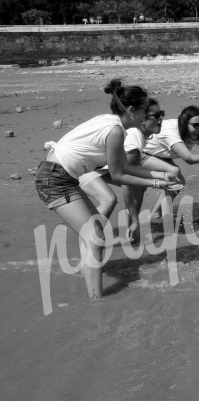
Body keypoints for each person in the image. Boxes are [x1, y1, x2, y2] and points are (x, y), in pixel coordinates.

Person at [34, 79, 179, 299]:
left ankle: (89, 284)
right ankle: (96, 300)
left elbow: (126, 167)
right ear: (131, 110)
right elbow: (120, 175)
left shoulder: (111, 123)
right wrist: (158, 183)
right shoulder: (115, 130)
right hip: (54, 178)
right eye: (144, 111)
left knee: (93, 234)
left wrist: (161, 175)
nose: (145, 116)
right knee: (95, 236)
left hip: (61, 176)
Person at [78, 98, 179, 242]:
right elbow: (125, 182)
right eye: (156, 116)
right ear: (142, 119)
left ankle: (129, 234)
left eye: (162, 114)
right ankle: (91, 237)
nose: (161, 119)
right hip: (82, 171)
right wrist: (135, 220)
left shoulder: (137, 135)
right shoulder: (134, 140)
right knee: (109, 199)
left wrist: (160, 177)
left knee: (139, 187)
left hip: (95, 169)